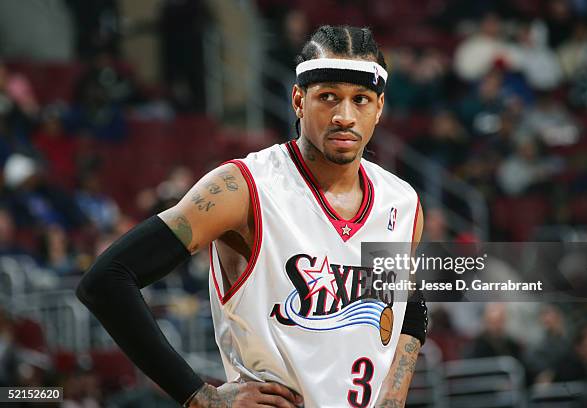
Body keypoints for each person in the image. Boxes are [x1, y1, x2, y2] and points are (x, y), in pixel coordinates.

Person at [77, 25, 427, 407]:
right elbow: (106, 280)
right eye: (328, 97)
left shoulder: (401, 202)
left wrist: (395, 393)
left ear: (378, 109)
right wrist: (198, 395)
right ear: (298, 100)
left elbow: (408, 301)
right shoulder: (244, 188)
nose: (344, 115)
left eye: (360, 99)